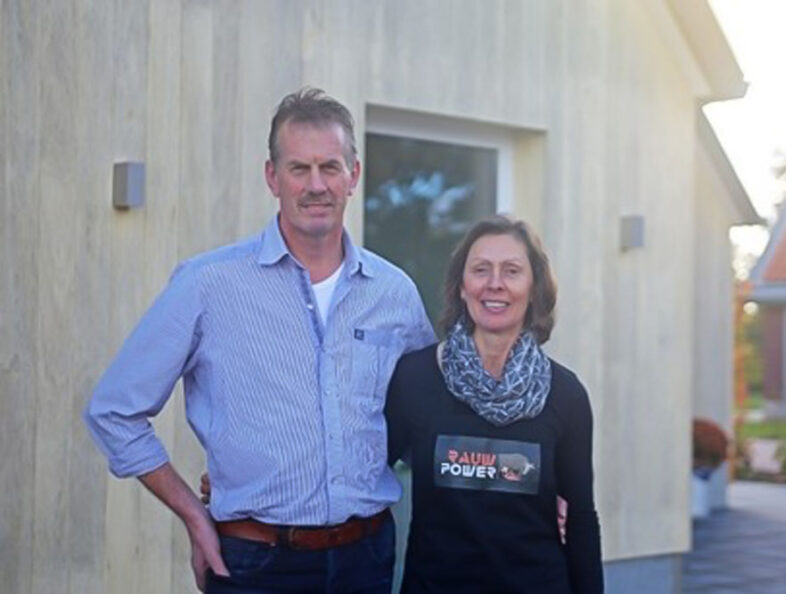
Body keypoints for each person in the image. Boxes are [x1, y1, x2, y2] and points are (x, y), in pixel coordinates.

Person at [84, 87, 436, 593]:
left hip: (367, 559)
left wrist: (539, 492)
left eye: (330, 167)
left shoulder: (394, 294)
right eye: (299, 168)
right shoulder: (207, 284)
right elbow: (114, 411)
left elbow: (431, 417)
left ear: (353, 175)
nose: (316, 185)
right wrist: (193, 514)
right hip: (254, 566)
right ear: (272, 177)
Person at [384, 215, 604, 593]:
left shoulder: (565, 395)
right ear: (462, 287)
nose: (495, 283)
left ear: (534, 289)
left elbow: (581, 520)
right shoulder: (415, 378)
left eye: (512, 270)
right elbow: (366, 475)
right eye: (481, 269)